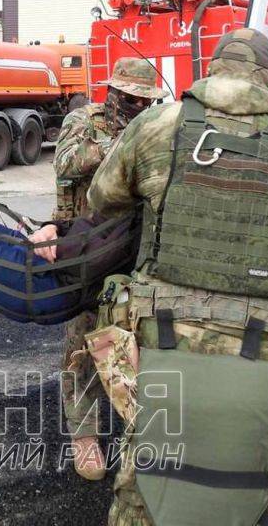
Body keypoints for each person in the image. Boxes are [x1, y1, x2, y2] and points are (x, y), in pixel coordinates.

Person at [89, 28, 268, 526]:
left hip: (164, 336)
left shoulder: (158, 123)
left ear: (214, 68)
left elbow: (103, 198)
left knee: (148, 468)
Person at [51, 57, 163, 481]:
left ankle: (139, 426)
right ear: (113, 93)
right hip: (88, 247)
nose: (137, 105)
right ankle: (84, 437)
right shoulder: (85, 119)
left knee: (135, 339)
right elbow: (67, 163)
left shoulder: (150, 126)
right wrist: (127, 142)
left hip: (134, 249)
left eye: (145, 100)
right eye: (131, 98)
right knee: (82, 344)